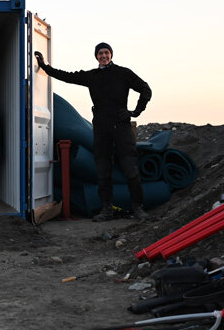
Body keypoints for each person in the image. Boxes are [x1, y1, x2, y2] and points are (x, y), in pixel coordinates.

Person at [35, 43, 152, 222]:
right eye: (100, 53)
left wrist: (135, 112)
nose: (103, 56)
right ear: (96, 56)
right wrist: (45, 67)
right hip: (101, 128)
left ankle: (138, 209)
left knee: (131, 169)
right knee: (103, 172)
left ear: (111, 54)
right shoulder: (92, 76)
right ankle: (107, 210)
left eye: (106, 52)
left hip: (121, 127)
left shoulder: (123, 73)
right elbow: (67, 76)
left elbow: (145, 89)